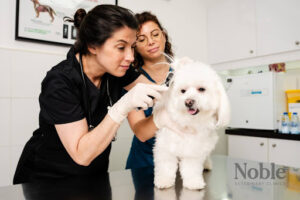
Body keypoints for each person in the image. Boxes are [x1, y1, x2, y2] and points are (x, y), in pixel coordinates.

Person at [13, 5, 168, 184]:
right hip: (47, 180)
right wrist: (122, 107)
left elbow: (163, 94)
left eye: (132, 47)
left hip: (94, 177)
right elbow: (82, 154)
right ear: (92, 45)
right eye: (120, 47)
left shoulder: (119, 71)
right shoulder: (60, 81)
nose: (131, 57)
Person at [126, 11, 174, 169]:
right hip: (145, 164)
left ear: (164, 36)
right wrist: (169, 112)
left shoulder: (184, 73)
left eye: (155, 34)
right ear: (135, 47)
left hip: (182, 160)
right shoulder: (130, 81)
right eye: (142, 39)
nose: (151, 42)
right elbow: (141, 133)